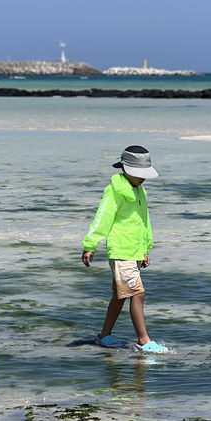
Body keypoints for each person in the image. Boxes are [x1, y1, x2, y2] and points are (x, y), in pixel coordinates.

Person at [81, 145, 168, 353]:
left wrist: (146, 249)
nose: (142, 178)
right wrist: (90, 245)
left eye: (144, 174)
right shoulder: (114, 190)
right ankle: (143, 341)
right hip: (120, 252)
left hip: (134, 251)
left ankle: (104, 335)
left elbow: (144, 221)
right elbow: (102, 218)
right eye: (139, 174)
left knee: (120, 296)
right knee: (138, 293)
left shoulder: (141, 191)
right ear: (125, 169)